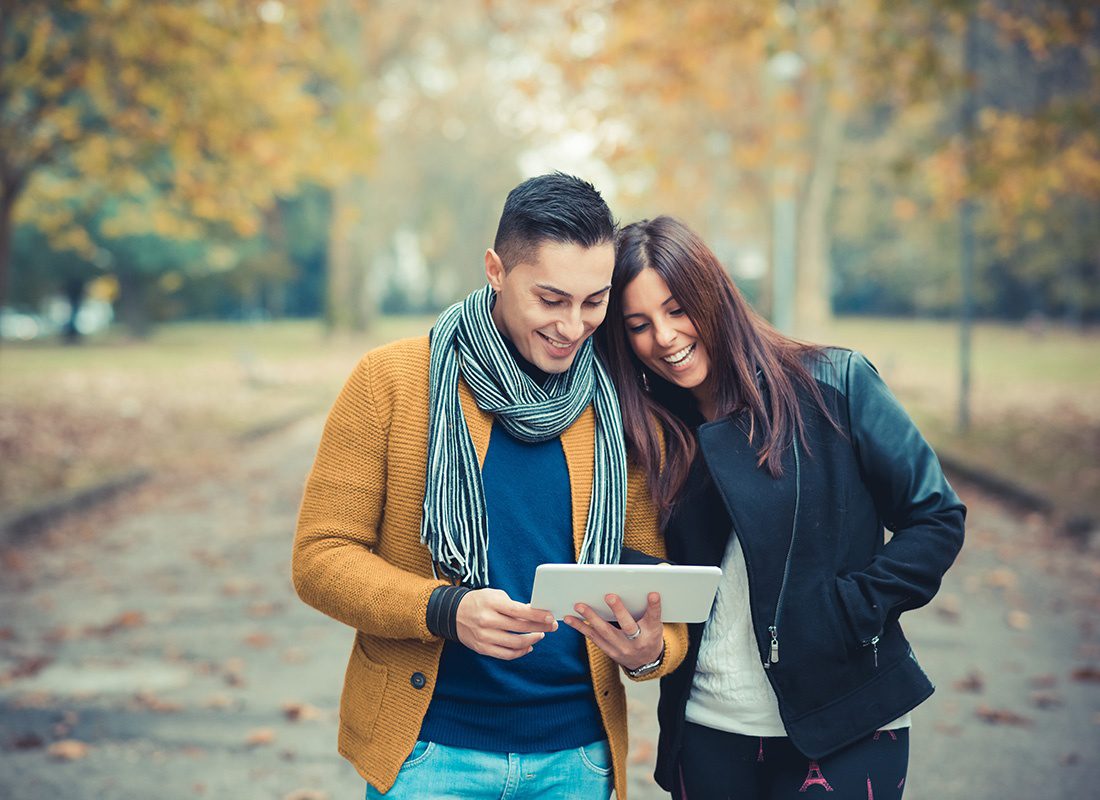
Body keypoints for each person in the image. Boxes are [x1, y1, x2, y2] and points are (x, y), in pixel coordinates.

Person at [292, 174, 688, 800]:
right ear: (496, 270)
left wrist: (646, 651)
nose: (574, 325)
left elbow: (652, 584)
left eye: (594, 301)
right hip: (428, 754)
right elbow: (320, 558)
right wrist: (445, 611)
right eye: (551, 299)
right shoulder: (390, 382)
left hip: (577, 759)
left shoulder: (623, 408)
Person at [596, 216, 966, 800]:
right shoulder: (647, 437)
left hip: (848, 723)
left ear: (713, 297)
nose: (663, 337)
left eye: (676, 309)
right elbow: (646, 574)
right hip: (709, 726)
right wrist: (643, 649)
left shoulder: (836, 384)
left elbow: (936, 516)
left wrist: (852, 609)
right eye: (638, 325)